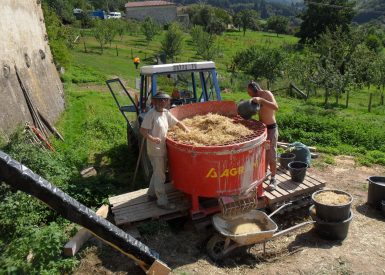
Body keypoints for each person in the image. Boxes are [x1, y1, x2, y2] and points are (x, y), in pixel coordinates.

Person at [139, 92, 189, 210]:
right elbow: (142, 131)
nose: (163, 102)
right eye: (160, 100)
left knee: (158, 172)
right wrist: (152, 138)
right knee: (160, 175)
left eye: (165, 100)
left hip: (162, 148)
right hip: (155, 150)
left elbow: (177, 122)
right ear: (154, 102)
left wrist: (187, 130)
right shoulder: (151, 114)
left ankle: (151, 195)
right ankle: (162, 201)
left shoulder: (166, 113)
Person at [247, 81, 279, 190]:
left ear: (255, 89)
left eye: (250, 92)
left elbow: (276, 107)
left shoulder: (266, 94)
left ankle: (274, 179)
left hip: (271, 129)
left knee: (271, 155)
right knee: (263, 153)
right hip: (263, 129)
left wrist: (262, 101)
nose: (249, 95)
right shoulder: (255, 98)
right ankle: (264, 173)